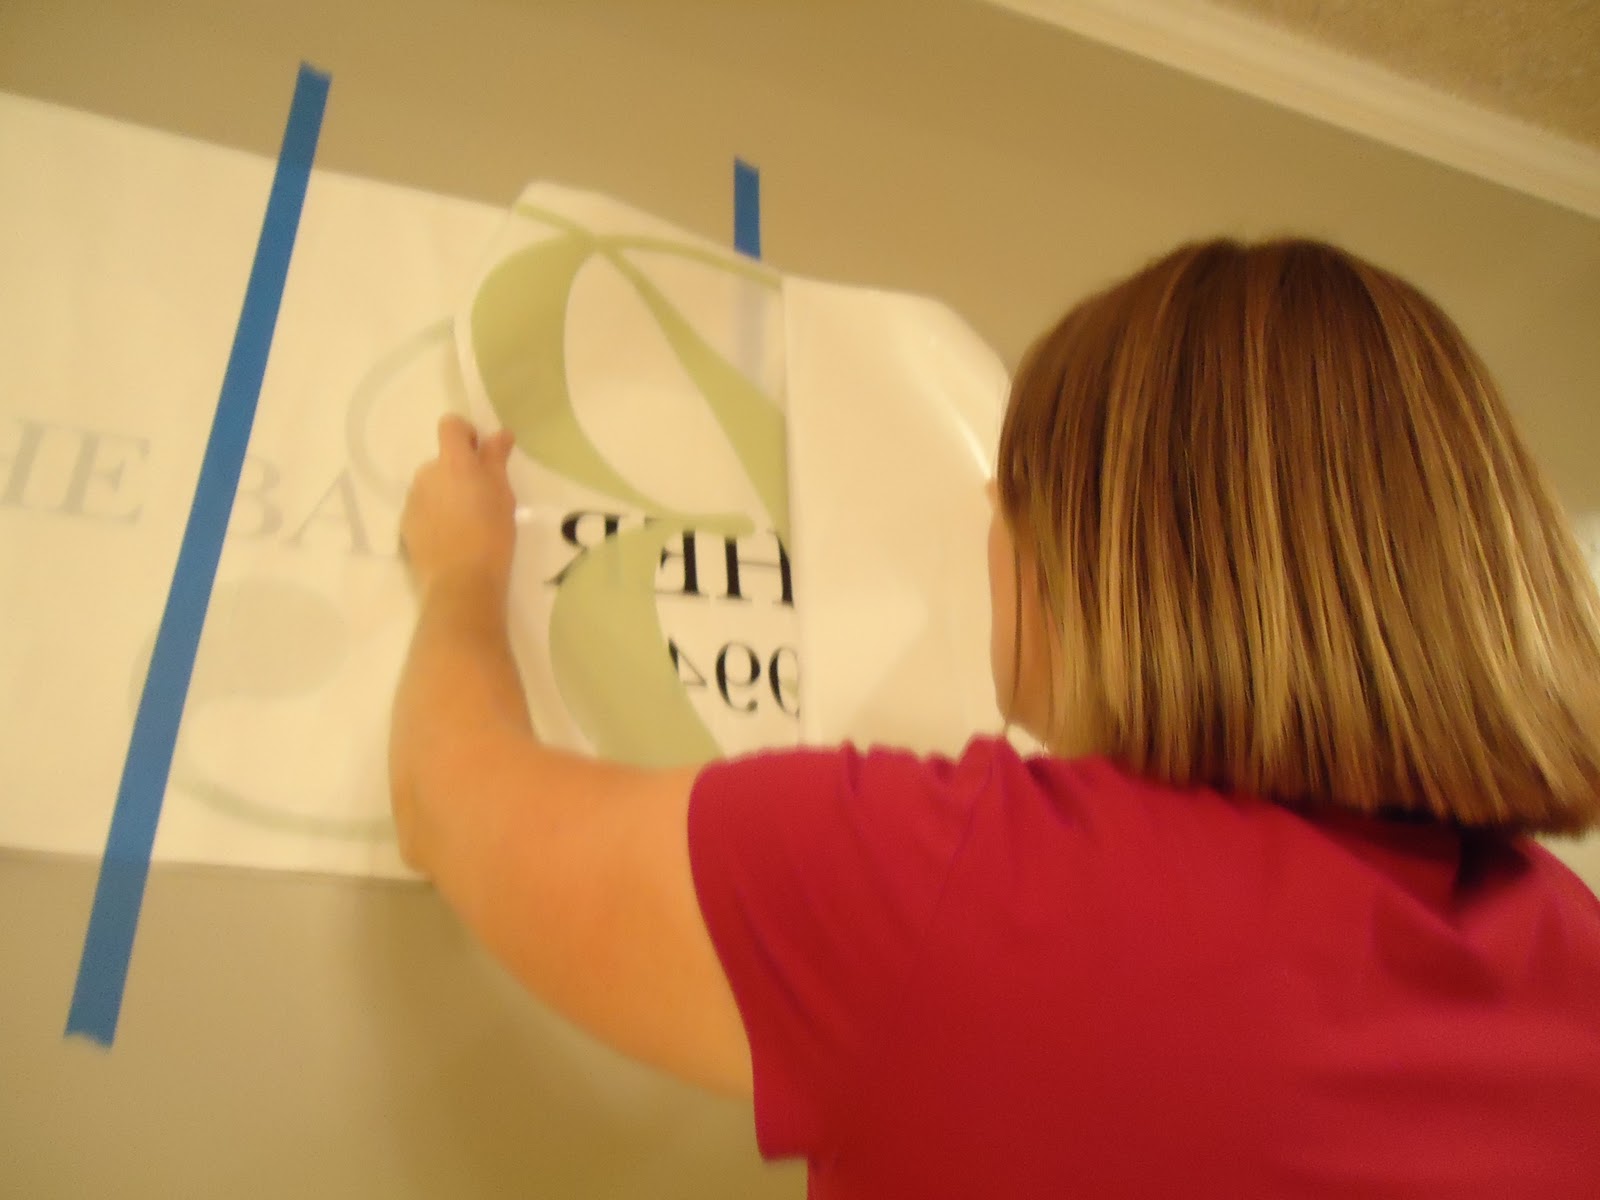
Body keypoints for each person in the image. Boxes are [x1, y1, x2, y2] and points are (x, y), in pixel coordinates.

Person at [390, 239, 1600, 1198]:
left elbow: (451, 796)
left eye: (1012, 489)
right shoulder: (1571, 947)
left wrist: (458, 571)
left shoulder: (946, 880)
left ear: (1104, 550)